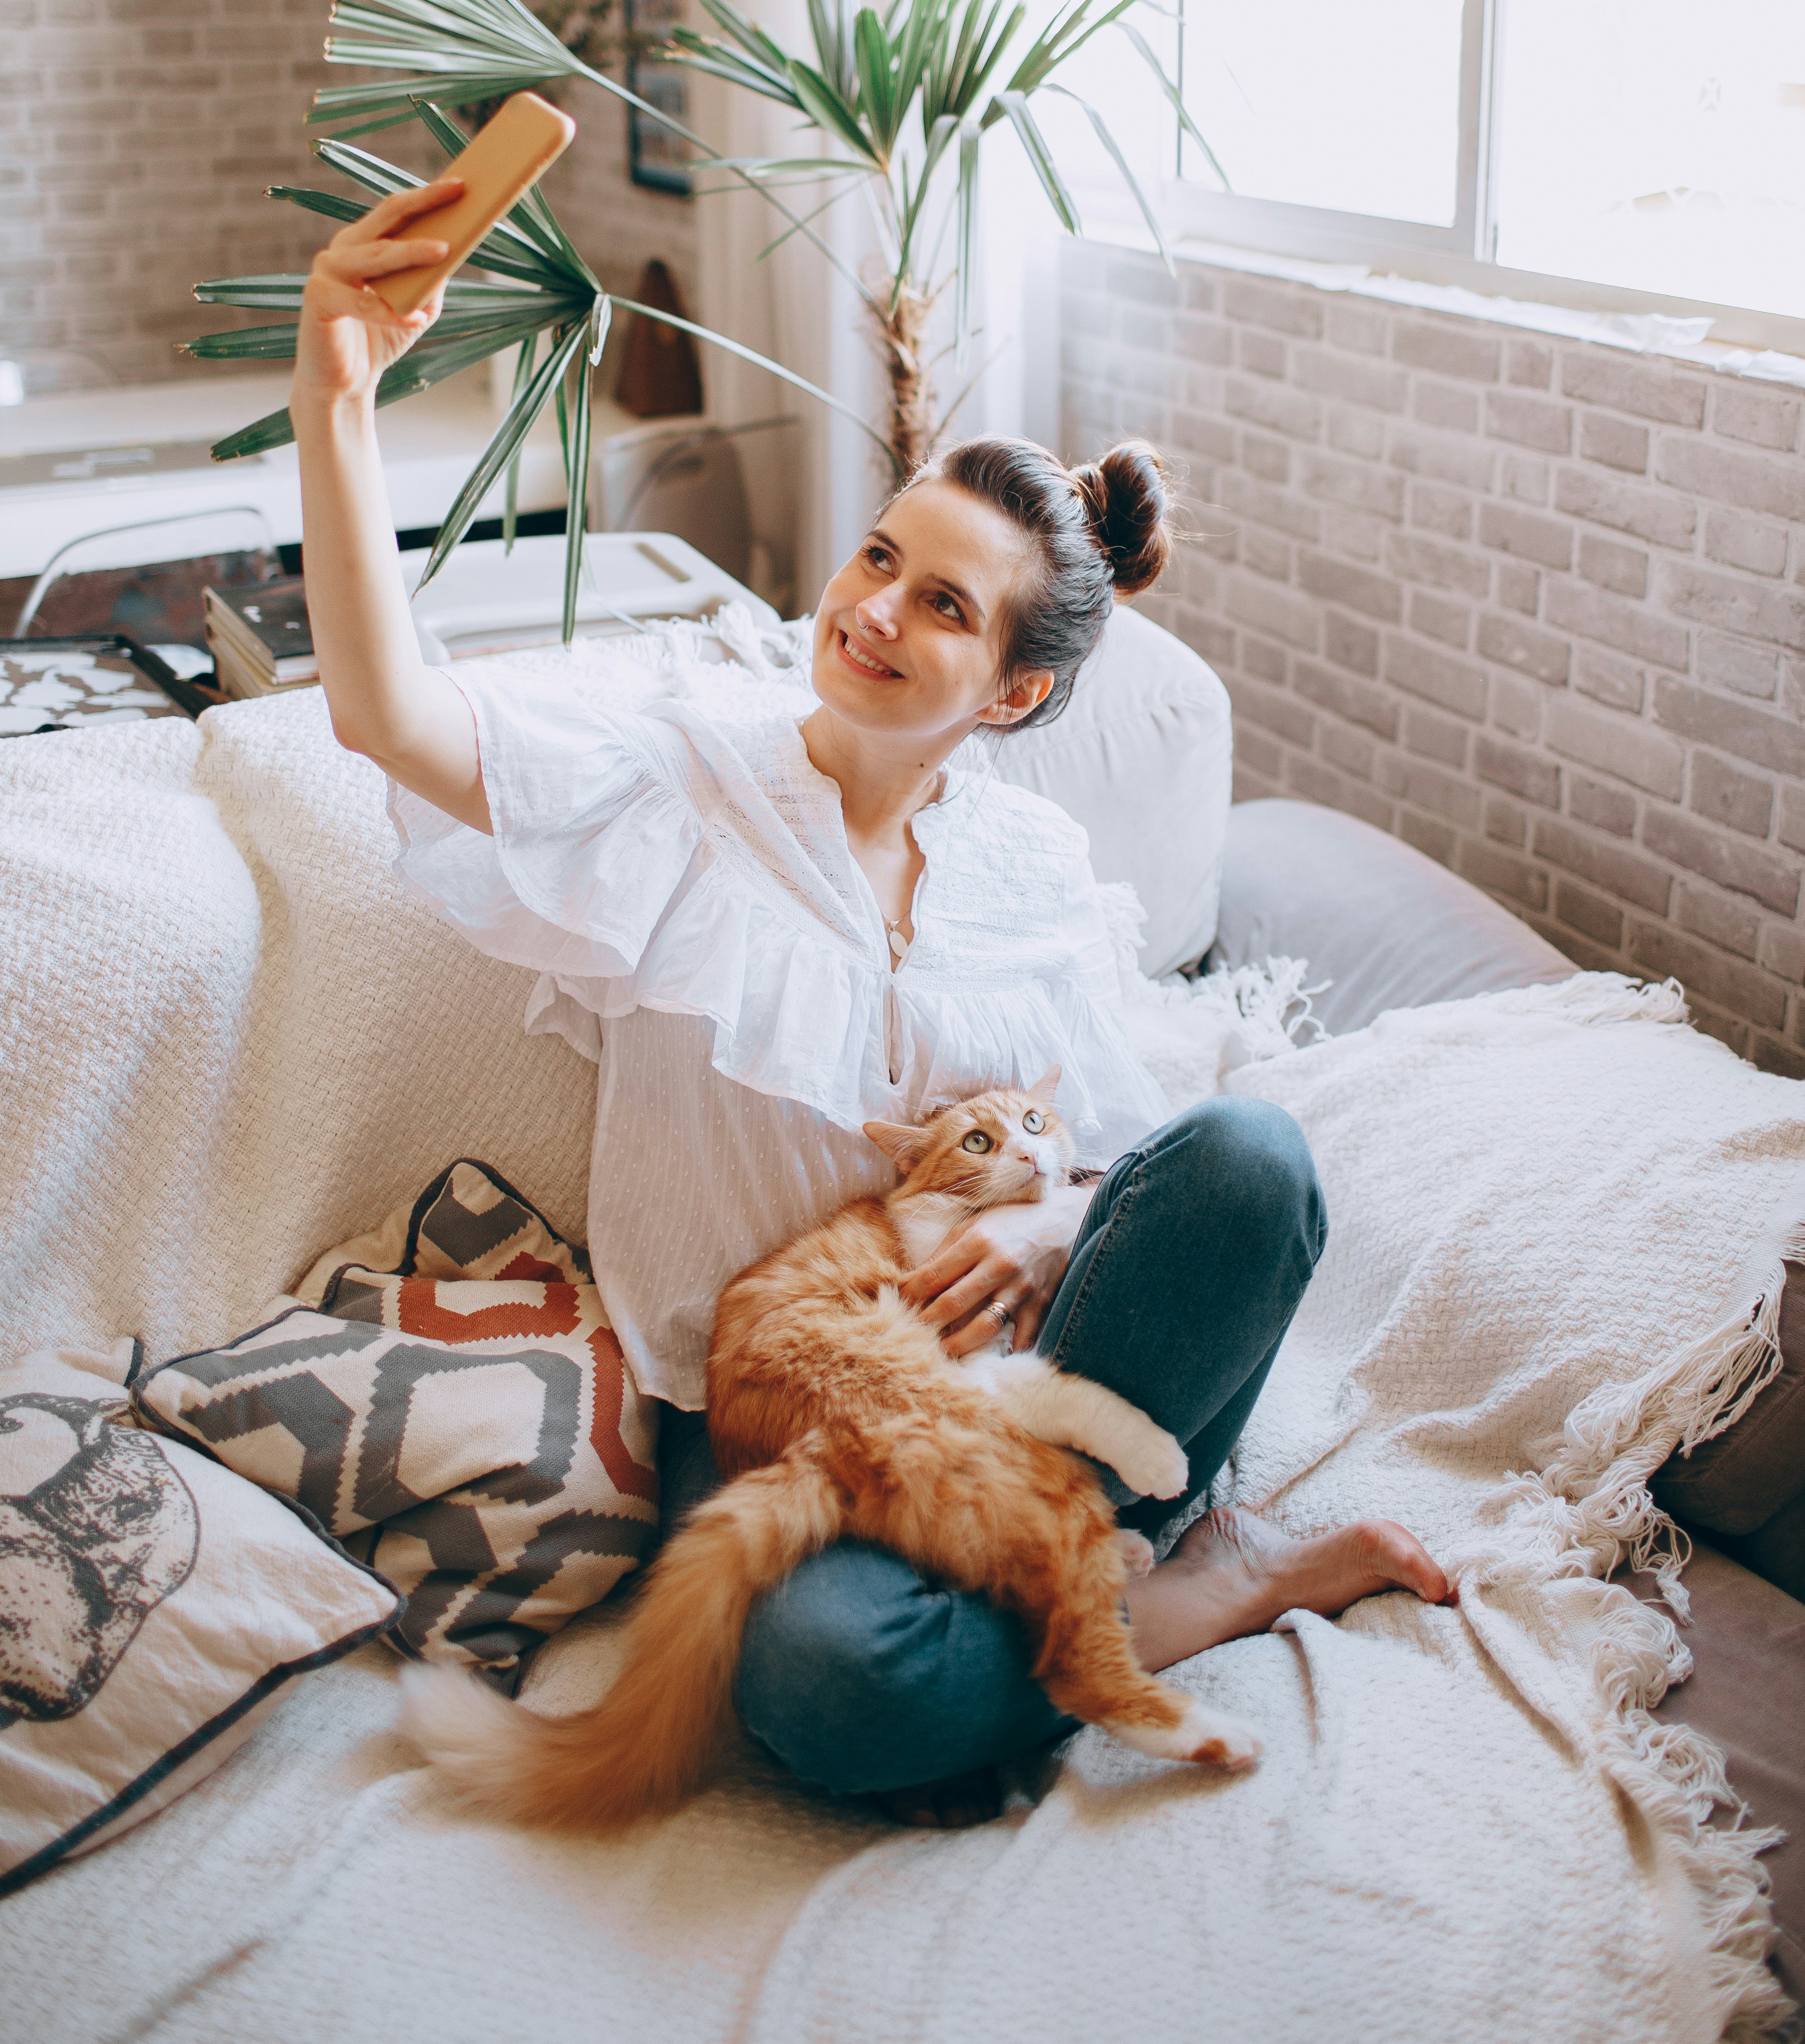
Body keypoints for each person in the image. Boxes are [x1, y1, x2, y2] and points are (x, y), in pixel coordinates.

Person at [292, 181, 1449, 1828]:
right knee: (822, 1689)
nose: (874, 612)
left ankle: (1117, 1554)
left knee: (1257, 1159)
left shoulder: (1036, 868)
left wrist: (1053, 1236)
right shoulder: (680, 769)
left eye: (944, 606)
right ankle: (1167, 1596)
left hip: (1046, 1380)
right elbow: (387, 717)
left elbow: (1122, 1149)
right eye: (881, 555)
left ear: (1019, 690)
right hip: (794, 1423)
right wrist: (334, 400)